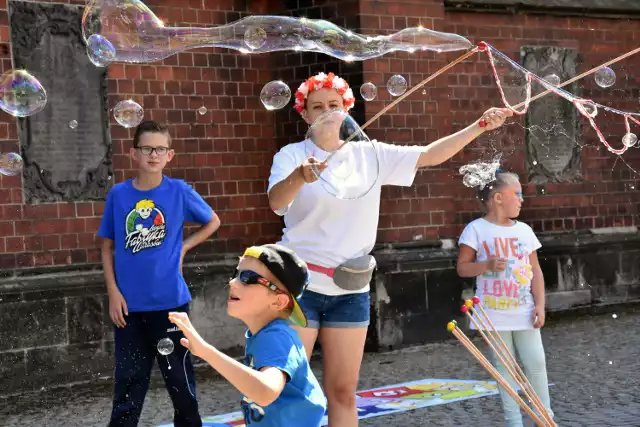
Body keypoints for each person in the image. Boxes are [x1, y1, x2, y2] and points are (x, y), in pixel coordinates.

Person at [267, 71, 513, 426]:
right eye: (316, 106)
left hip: (349, 288)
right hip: (298, 286)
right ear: (304, 114)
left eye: (333, 105)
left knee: (342, 392)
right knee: (290, 390)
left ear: (346, 109)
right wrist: (299, 177)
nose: (325, 112)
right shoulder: (291, 155)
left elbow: (430, 155)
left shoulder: (371, 155)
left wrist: (479, 126)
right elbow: (276, 202)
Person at [98, 120, 221, 427]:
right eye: (146, 148)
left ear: (170, 155)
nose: (153, 154)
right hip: (128, 309)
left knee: (180, 384)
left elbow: (212, 221)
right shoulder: (118, 195)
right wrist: (113, 292)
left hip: (170, 306)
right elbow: (105, 246)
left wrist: (184, 248)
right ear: (134, 154)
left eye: (160, 149)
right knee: (128, 385)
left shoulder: (178, 191)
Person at [168, 244, 327, 427]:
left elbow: (265, 392)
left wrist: (205, 351)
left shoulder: (276, 337)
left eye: (248, 277)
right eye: (236, 273)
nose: (232, 282)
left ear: (278, 301)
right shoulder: (262, 334)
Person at [456, 170, 553, 427]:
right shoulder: (476, 229)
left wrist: (540, 305)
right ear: (498, 198)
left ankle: (546, 419)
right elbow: (463, 268)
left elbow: (536, 272)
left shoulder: (524, 231)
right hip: (493, 313)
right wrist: (485, 265)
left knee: (536, 363)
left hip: (524, 310)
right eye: (517, 194)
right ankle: (513, 422)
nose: (522, 199)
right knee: (505, 370)